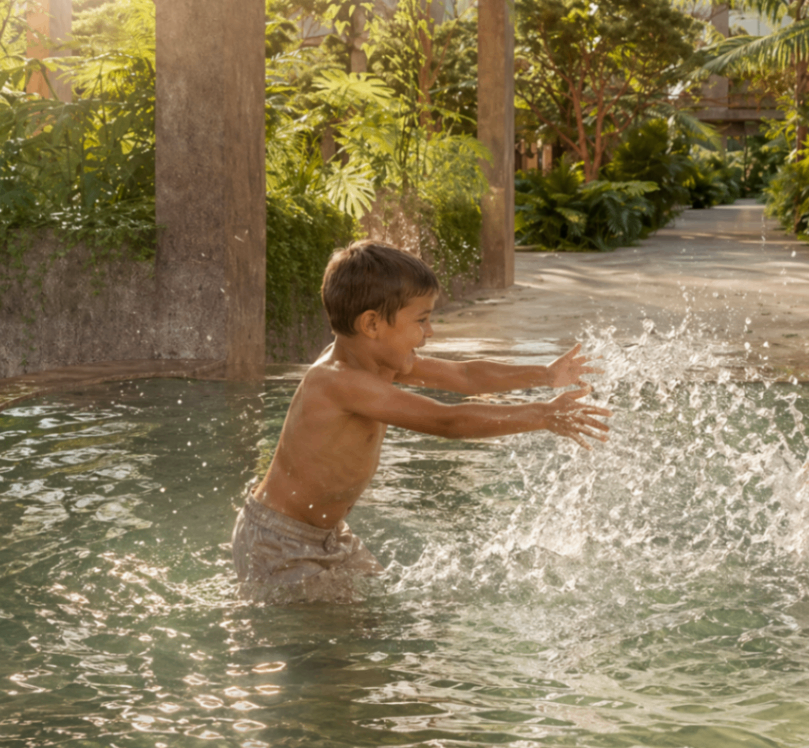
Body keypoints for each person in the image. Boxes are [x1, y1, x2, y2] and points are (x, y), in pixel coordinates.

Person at [232, 240, 610, 599]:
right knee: (341, 634)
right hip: (280, 540)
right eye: (422, 320)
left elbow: (465, 377)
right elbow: (448, 422)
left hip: (327, 533)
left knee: (373, 609)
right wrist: (543, 414)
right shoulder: (336, 382)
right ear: (372, 325)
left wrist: (545, 374)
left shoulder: (377, 361)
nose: (430, 332)